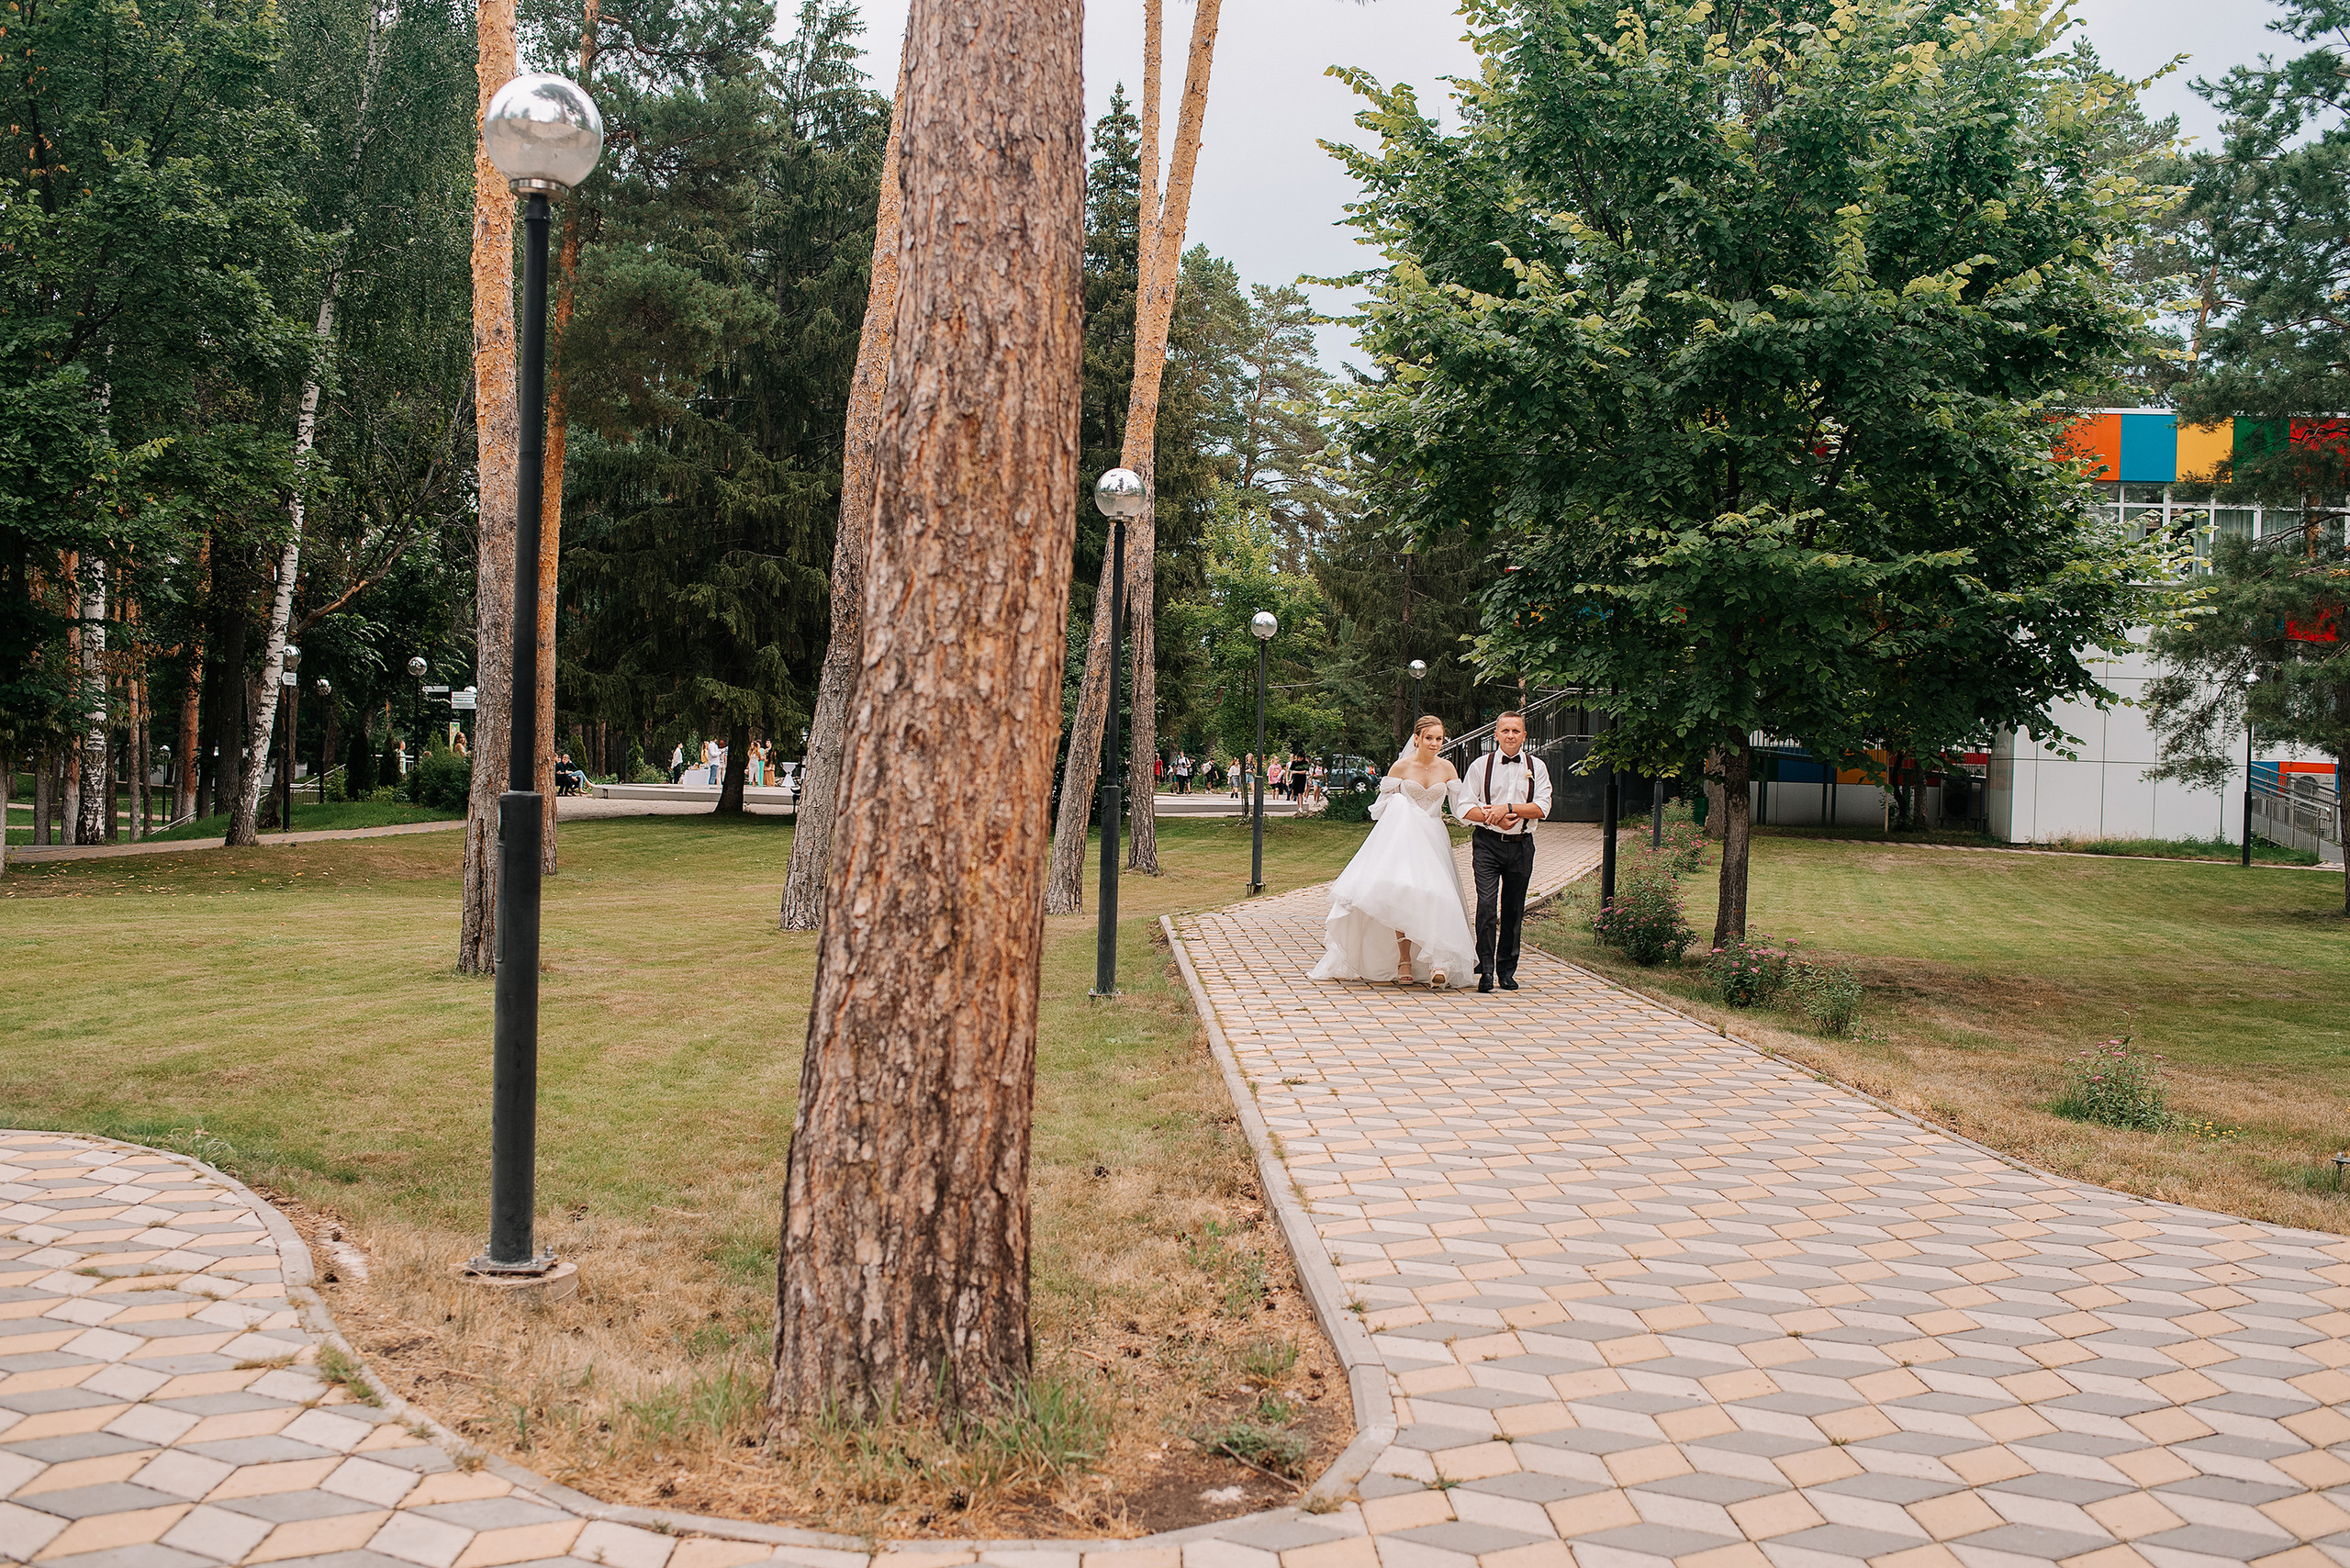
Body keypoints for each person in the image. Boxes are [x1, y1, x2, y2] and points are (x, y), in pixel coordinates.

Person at [1309, 715, 1476, 988]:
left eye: (1439, 739)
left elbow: (1460, 808)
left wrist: (1486, 816)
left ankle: (1440, 961)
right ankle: (1404, 958)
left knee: (1438, 895)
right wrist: (1401, 810)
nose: (1434, 743)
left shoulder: (1447, 769)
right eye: (1429, 738)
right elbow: (1381, 808)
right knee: (1403, 894)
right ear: (1417, 738)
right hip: (1405, 839)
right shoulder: (1400, 767)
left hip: (1434, 839)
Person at [1457, 711, 1554, 992]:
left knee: (1513, 908)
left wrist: (1508, 809)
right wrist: (1491, 817)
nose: (1510, 735)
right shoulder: (1480, 765)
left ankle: (1507, 969)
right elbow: (1463, 807)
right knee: (1486, 905)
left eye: (1516, 731)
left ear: (1524, 735)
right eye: (1505, 730)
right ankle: (1485, 970)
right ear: (1496, 734)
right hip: (1487, 843)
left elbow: (1543, 807)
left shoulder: (1537, 767)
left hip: (1522, 845)